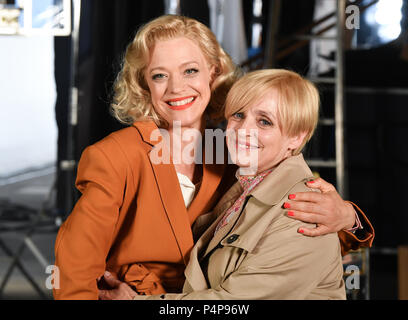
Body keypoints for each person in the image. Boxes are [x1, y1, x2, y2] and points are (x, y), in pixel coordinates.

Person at [53, 15, 373, 300]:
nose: (176, 88)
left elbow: (298, 236)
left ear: (213, 73)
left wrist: (348, 217)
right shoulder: (116, 155)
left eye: (190, 70)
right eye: (160, 76)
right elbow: (75, 268)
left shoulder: (238, 153)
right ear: (144, 85)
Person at [99, 69, 353, 300]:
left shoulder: (303, 212)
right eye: (238, 115)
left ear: (296, 136)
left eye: (264, 122)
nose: (243, 130)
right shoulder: (245, 185)